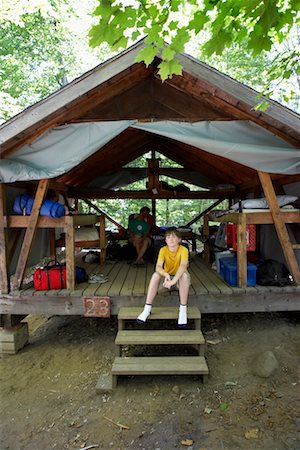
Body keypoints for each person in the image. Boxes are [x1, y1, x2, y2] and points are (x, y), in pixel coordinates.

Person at [136, 228, 190, 327]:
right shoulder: (163, 250)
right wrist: (166, 275)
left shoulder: (184, 250)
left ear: (179, 239)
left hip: (179, 280)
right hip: (167, 280)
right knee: (155, 275)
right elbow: (158, 267)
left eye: (174, 237)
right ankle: (147, 309)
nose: (171, 239)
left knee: (184, 276)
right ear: (165, 240)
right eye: (168, 237)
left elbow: (183, 266)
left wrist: (173, 281)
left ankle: (183, 311)